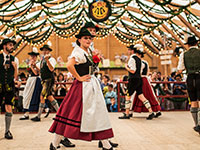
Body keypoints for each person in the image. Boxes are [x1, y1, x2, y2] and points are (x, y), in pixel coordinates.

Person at [49, 28, 114, 150]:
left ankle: (106, 144)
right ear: (79, 40)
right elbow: (69, 65)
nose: (88, 40)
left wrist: (96, 58)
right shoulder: (77, 52)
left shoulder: (87, 51)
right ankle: (54, 143)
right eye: (85, 38)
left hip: (90, 85)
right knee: (69, 113)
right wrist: (78, 78)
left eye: (90, 38)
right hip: (82, 87)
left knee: (96, 113)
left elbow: (92, 67)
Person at [82, 22, 118, 148]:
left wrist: (97, 58)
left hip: (91, 80)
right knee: (75, 112)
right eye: (91, 30)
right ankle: (61, 137)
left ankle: (104, 140)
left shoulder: (91, 45)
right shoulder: (82, 45)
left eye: (94, 31)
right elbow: (76, 62)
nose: (93, 32)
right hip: (84, 83)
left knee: (99, 111)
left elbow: (93, 64)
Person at [119, 45, 155, 120]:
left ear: (132, 51)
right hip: (139, 79)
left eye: (129, 50)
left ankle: (127, 113)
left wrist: (126, 67)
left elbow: (133, 70)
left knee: (127, 96)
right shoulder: (139, 59)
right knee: (141, 96)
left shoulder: (132, 58)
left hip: (133, 79)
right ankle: (151, 112)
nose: (128, 51)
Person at [177, 36, 200, 133]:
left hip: (190, 78)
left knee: (193, 102)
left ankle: (196, 124)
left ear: (188, 45)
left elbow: (180, 69)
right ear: (196, 43)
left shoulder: (183, 54)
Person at [131, 46, 162, 117]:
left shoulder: (138, 62)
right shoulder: (146, 62)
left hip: (140, 79)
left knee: (136, 95)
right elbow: (148, 72)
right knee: (150, 95)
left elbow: (138, 71)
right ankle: (157, 110)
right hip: (146, 79)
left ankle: (130, 111)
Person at [31, 44, 59, 122]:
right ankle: (60, 114)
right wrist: (34, 66)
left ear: (49, 51)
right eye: (43, 50)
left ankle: (39, 116)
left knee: (42, 96)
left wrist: (47, 60)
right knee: (50, 97)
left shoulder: (51, 59)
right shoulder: (42, 59)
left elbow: (51, 69)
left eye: (46, 50)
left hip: (48, 80)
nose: (45, 51)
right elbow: (41, 70)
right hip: (44, 80)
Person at [0, 38, 18, 139]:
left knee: (9, 106)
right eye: (10, 45)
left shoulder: (14, 59)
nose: (12, 47)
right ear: (4, 46)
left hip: (10, 85)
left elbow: (15, 76)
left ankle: (7, 131)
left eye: (12, 45)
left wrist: (15, 68)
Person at [19, 48, 42, 120]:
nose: (33, 57)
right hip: (30, 79)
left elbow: (36, 73)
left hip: (34, 80)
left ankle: (27, 113)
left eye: (34, 56)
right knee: (26, 95)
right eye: (32, 56)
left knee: (30, 96)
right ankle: (26, 112)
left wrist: (32, 66)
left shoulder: (38, 63)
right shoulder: (31, 62)